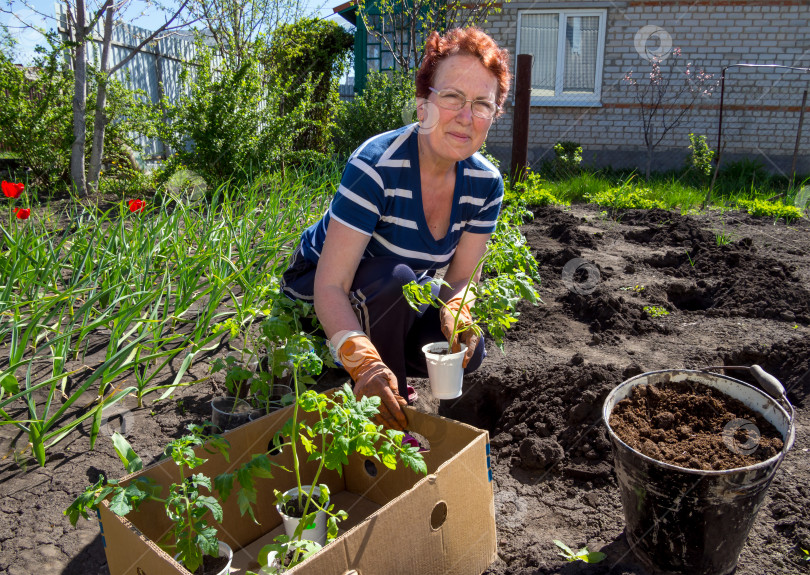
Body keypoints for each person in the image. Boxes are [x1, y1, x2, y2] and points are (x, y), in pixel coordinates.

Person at [281, 27, 510, 430]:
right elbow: (331, 285)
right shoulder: (377, 165)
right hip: (316, 293)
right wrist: (364, 363)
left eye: (481, 104)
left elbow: (459, 280)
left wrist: (460, 309)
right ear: (423, 105)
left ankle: (375, 373)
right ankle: (386, 411)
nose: (464, 116)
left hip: (383, 302)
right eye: (452, 97)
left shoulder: (486, 184)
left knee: (469, 351)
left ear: (493, 116)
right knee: (397, 278)